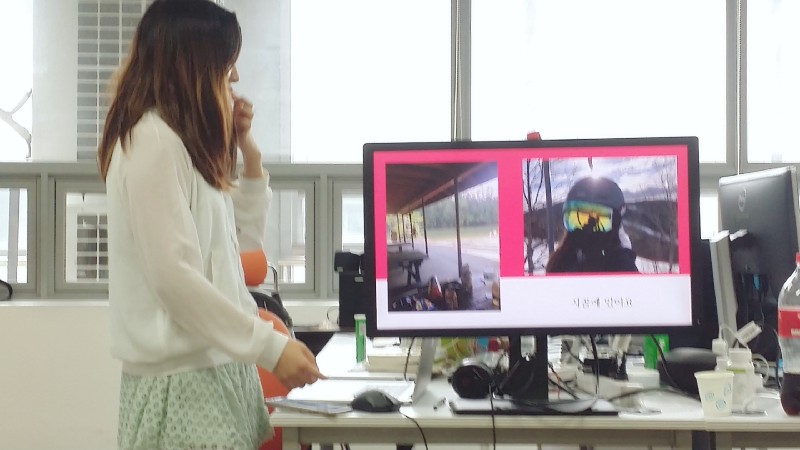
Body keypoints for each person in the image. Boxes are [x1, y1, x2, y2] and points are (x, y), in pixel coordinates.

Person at [96, 1, 324, 448]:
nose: (234, 77)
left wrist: (248, 153)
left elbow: (239, 245)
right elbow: (175, 279)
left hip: (216, 372)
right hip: (182, 386)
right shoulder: (151, 142)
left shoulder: (178, 144)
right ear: (194, 68)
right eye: (226, 66)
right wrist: (271, 348)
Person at [546, 176, 639, 273]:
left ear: (615, 224)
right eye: (577, 219)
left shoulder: (621, 267)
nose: (586, 230)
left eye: (600, 220)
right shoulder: (561, 262)